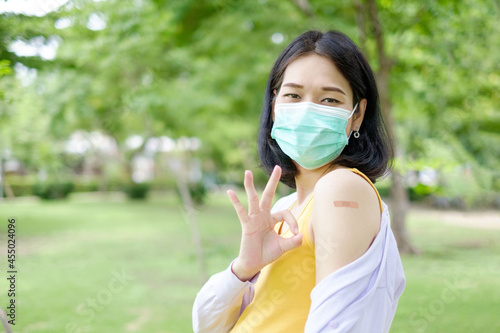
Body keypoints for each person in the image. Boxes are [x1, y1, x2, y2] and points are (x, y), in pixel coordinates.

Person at [192, 30, 406, 333]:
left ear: (357, 115)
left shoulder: (341, 188)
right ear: (274, 104)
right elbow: (207, 325)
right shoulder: (286, 206)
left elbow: (335, 326)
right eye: (293, 94)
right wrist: (244, 267)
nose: (307, 109)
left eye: (329, 98)